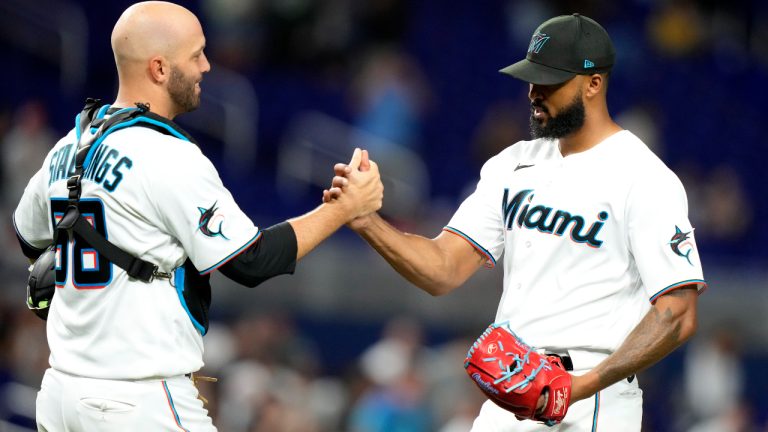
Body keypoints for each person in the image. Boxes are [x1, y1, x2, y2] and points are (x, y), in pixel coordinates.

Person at [12, 2, 382, 431]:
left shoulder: (67, 148)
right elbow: (252, 261)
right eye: (196, 54)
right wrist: (345, 208)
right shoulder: (168, 155)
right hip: (136, 399)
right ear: (159, 68)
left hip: (60, 394)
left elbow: (29, 238)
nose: (207, 66)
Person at [326, 13, 706, 431]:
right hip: (513, 388)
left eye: (550, 81)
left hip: (594, 394)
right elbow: (443, 268)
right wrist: (366, 221)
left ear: (593, 83)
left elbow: (677, 313)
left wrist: (579, 386)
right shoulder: (511, 166)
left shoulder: (644, 177)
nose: (534, 93)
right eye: (532, 79)